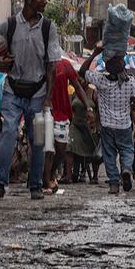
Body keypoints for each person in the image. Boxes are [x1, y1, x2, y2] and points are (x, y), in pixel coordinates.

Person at [0, 0, 61, 200]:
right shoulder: (9, 25)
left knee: (38, 140)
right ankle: (0, 183)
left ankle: (35, 184)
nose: (45, 1)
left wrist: (47, 100)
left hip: (37, 91)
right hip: (13, 89)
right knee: (8, 132)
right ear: (28, 0)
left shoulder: (48, 28)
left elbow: (52, 66)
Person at [79, 44, 135, 195]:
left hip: (107, 126)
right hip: (125, 125)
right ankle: (126, 168)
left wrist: (95, 53)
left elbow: (82, 71)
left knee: (109, 155)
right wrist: (133, 105)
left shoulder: (101, 80)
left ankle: (114, 183)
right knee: (127, 151)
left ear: (106, 66)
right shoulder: (130, 82)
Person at [44, 54, 91, 193]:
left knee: (61, 150)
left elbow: (77, 86)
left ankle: (51, 174)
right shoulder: (40, 64)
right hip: (45, 111)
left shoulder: (65, 65)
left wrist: (88, 107)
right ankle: (46, 181)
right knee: (47, 150)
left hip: (62, 114)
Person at [68, 85, 102, 184]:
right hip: (76, 125)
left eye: (81, 80)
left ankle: (95, 176)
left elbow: (99, 109)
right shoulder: (75, 92)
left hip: (90, 126)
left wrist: (97, 123)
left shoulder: (93, 92)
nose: (79, 82)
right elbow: (71, 107)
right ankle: (69, 175)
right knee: (70, 146)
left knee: (94, 150)